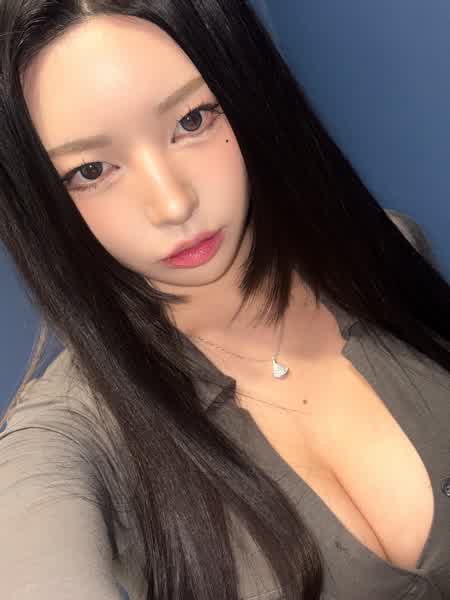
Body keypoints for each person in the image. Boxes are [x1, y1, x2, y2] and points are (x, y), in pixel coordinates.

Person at [0, 2, 449, 599]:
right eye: (91, 170)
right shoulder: (73, 433)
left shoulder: (386, 251)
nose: (172, 204)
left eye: (192, 121)